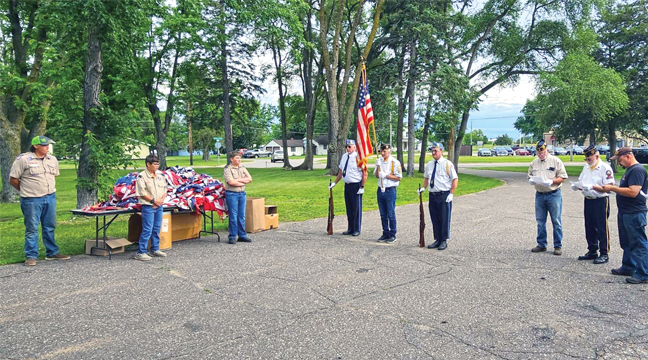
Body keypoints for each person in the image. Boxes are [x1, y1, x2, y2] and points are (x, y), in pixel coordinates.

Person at [9, 136, 70, 266]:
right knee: (32, 228)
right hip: (31, 199)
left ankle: (52, 252)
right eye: (44, 145)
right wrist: (24, 189)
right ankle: (31, 256)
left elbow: (53, 177)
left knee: (50, 226)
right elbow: (13, 179)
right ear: (35, 146)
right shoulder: (24, 159)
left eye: (48, 145)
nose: (47, 147)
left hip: (50, 197)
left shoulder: (52, 159)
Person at [602, 147, 648, 284]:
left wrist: (612, 188)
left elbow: (633, 192)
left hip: (634, 213)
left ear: (628, 156)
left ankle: (643, 273)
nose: (619, 163)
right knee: (626, 242)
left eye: (620, 159)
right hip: (625, 211)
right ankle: (628, 266)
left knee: (638, 243)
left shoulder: (637, 170)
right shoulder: (629, 171)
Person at [572, 145, 615, 264]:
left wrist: (593, 187)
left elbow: (609, 188)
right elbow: (581, 181)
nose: (587, 160)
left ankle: (604, 253)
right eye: (586, 158)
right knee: (589, 226)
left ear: (596, 156)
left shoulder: (605, 168)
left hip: (600, 200)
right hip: (588, 199)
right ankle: (592, 250)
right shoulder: (586, 167)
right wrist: (577, 186)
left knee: (601, 227)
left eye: (589, 158)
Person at [528, 139, 569, 255]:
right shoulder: (534, 163)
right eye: (538, 153)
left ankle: (557, 245)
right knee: (540, 221)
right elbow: (529, 175)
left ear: (546, 150)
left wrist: (551, 181)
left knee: (556, 220)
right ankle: (541, 244)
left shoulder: (555, 161)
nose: (540, 154)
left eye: (542, 152)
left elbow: (563, 177)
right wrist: (532, 181)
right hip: (540, 194)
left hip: (553, 194)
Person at [420, 142, 458, 251]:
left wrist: (451, 193)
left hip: (443, 194)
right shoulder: (430, 164)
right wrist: (424, 187)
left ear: (441, 151)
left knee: (444, 218)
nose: (433, 153)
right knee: (434, 218)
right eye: (432, 151)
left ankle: (443, 240)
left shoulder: (447, 164)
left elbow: (455, 179)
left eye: (435, 151)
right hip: (433, 194)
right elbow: (427, 177)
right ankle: (437, 239)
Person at [134, 154, 168, 261]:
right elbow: (142, 193)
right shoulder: (142, 176)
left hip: (159, 205)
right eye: (155, 164)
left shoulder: (160, 176)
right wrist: (153, 201)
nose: (157, 166)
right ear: (148, 164)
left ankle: (155, 249)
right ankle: (141, 252)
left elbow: (165, 189)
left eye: (158, 164)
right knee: (147, 229)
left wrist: (161, 200)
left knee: (157, 228)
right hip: (149, 206)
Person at [329, 139, 367, 236]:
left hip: (356, 185)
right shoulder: (344, 157)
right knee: (349, 208)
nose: (348, 148)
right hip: (347, 185)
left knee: (356, 208)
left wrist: (362, 186)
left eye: (349, 146)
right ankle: (350, 228)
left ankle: (356, 229)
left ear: (354, 147)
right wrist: (335, 183)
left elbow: (364, 173)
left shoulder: (359, 158)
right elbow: (341, 172)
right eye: (346, 146)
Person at [223, 150, 253, 244]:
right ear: (231, 159)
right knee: (233, 216)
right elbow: (231, 182)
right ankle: (232, 236)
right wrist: (242, 182)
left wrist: (238, 180)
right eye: (237, 158)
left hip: (242, 194)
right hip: (232, 194)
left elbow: (250, 179)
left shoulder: (242, 168)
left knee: (241, 215)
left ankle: (242, 235)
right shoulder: (228, 169)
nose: (239, 160)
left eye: (240, 158)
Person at [374, 144, 402, 243]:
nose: (382, 153)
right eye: (381, 151)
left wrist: (386, 175)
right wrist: (378, 167)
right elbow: (377, 175)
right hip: (380, 189)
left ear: (389, 151)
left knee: (390, 213)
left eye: (384, 151)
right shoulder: (379, 161)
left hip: (390, 189)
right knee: (383, 214)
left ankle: (392, 233)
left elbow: (398, 177)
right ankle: (385, 232)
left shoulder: (395, 162)